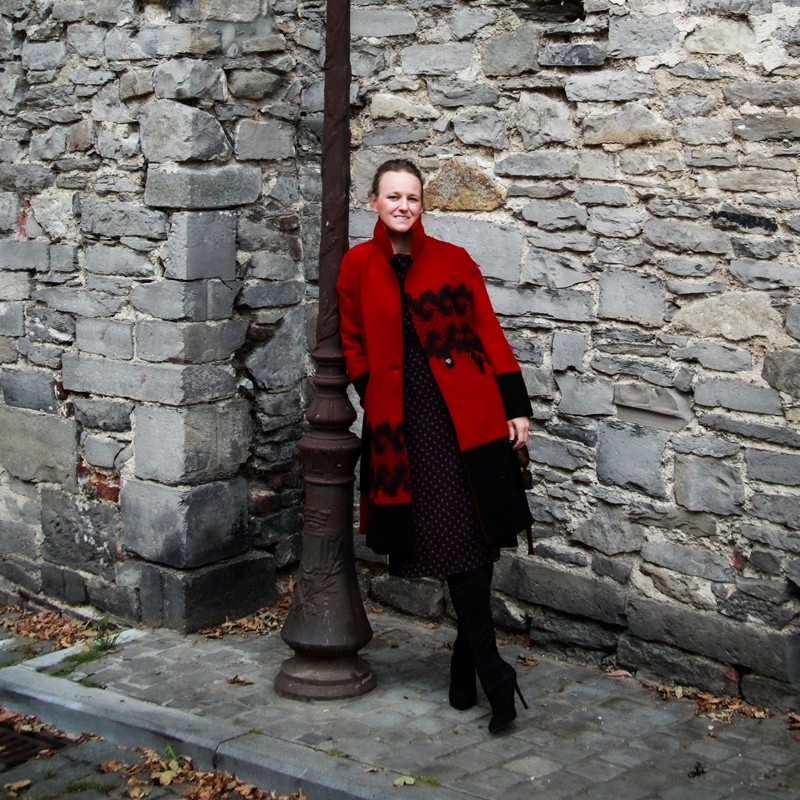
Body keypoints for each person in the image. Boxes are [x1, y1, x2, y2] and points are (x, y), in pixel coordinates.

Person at [337, 158, 533, 734]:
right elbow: (350, 340)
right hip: (403, 426)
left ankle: (482, 669)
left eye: (413, 198)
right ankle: (481, 667)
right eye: (393, 196)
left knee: (473, 535)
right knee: (452, 538)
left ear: (423, 205)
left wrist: (515, 405)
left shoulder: (454, 260)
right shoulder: (355, 266)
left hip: (468, 418)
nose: (403, 206)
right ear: (373, 202)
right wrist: (373, 392)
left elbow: (490, 333)